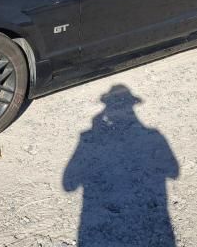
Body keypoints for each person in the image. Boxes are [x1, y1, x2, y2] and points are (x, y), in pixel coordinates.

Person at [63, 84, 179, 246]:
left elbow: (68, 185)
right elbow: (174, 172)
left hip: (98, 224)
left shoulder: (87, 139)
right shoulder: (154, 137)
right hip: (148, 223)